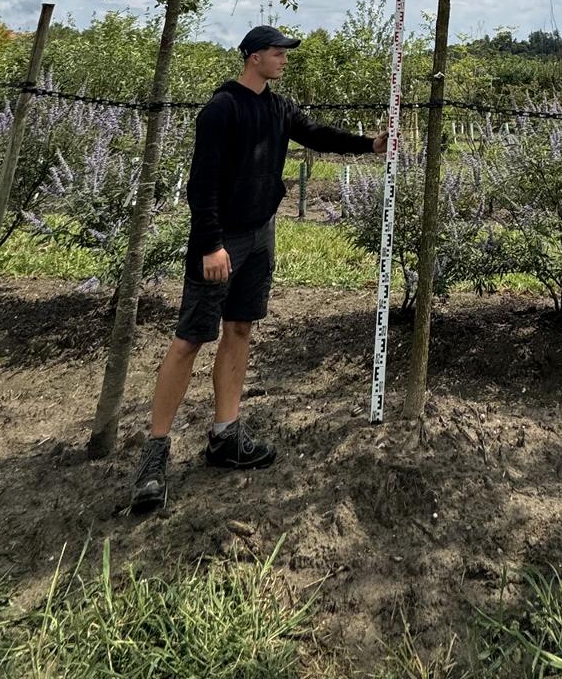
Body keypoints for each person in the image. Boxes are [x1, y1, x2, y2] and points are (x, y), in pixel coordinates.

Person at [130, 25, 387, 511]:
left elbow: (316, 135)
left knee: (241, 327)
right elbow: (201, 181)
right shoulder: (222, 109)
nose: (284, 59)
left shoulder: (278, 107)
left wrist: (369, 145)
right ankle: (154, 455)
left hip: (260, 233)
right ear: (252, 58)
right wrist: (210, 244)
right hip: (220, 240)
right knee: (190, 339)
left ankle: (225, 434)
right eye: (277, 52)